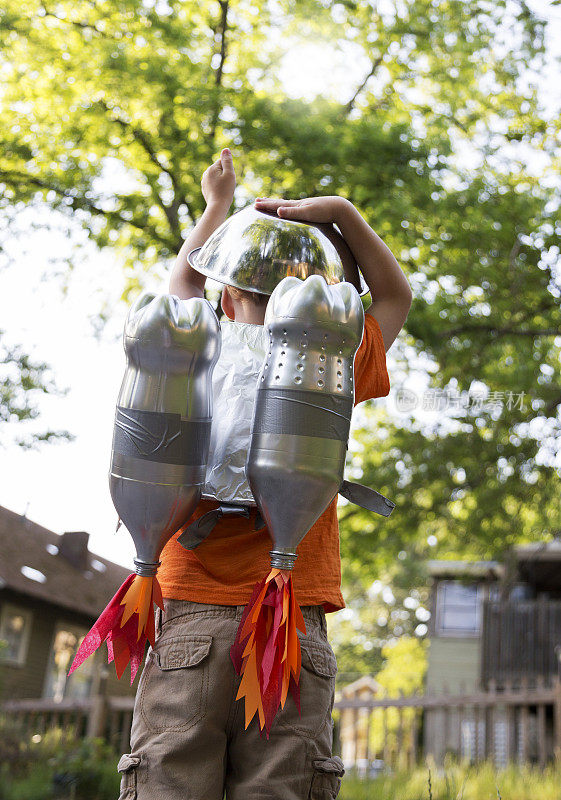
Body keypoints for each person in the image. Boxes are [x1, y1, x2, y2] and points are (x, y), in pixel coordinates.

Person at [117, 147, 412, 800]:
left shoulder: (192, 348)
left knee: (167, 785)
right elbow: (395, 294)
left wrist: (214, 207)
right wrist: (340, 214)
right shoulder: (331, 355)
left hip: (189, 610)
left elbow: (181, 289)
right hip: (290, 617)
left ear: (226, 292)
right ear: (320, 295)